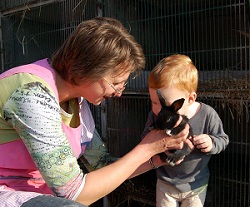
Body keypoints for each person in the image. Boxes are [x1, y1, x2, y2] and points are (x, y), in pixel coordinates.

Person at [0, 17, 189, 207]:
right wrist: (147, 148)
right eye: (115, 83)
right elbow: (73, 195)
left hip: (34, 194)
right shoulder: (31, 93)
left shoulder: (77, 101)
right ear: (88, 69)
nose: (119, 93)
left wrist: (156, 158)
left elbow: (103, 165)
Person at [141, 54, 229, 207]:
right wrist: (158, 145)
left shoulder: (207, 114)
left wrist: (211, 142)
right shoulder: (156, 116)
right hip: (165, 183)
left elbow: (223, 139)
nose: (159, 110)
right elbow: (144, 139)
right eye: (154, 102)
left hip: (195, 185)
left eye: (166, 104)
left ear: (190, 99)